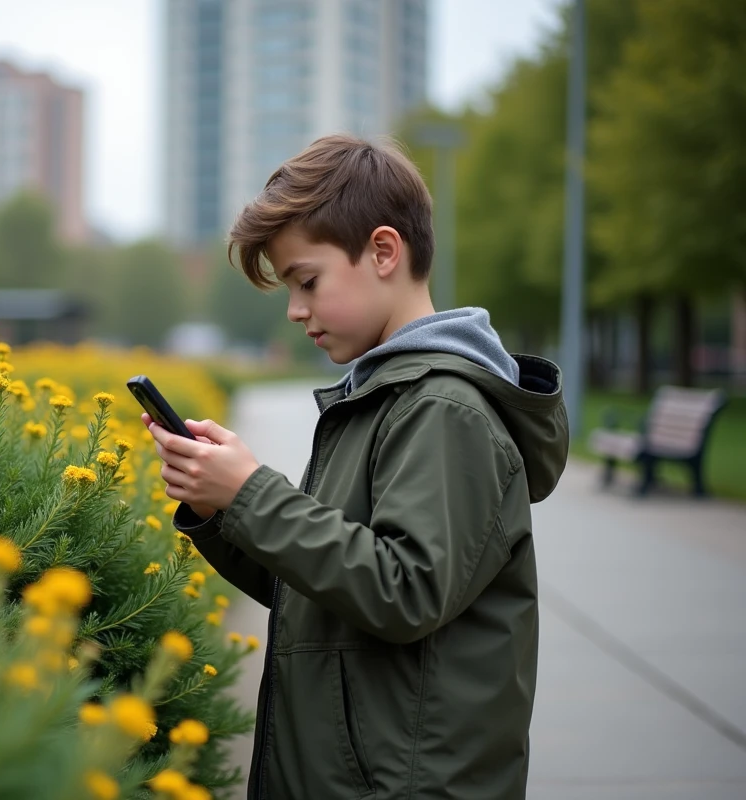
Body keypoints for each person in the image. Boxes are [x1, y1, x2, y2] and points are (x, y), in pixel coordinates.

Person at [142, 133, 569, 799]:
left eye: (307, 281)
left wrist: (253, 495)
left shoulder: (443, 409)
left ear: (383, 252)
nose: (295, 311)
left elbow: (405, 589)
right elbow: (327, 590)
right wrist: (219, 506)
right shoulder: (384, 398)